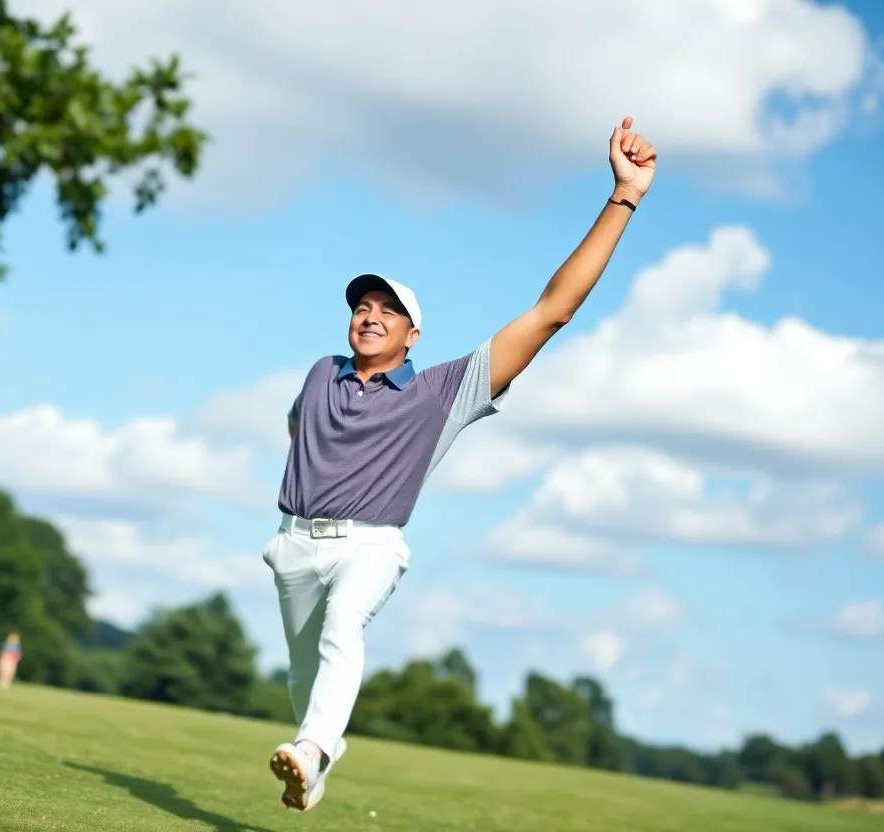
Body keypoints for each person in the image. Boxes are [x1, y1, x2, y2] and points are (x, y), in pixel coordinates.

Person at [264, 116, 658, 811]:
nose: (370, 315)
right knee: (304, 676)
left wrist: (623, 196)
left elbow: (552, 312)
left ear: (413, 335)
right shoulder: (321, 371)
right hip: (293, 544)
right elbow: (300, 425)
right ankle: (317, 756)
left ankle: (315, 747)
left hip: (370, 544)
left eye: (388, 310)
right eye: (362, 305)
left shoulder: (442, 392)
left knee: (342, 625)